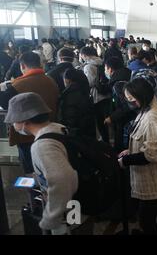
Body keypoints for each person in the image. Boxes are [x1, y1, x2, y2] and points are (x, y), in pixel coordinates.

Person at [5, 93, 78, 235]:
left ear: (24, 120)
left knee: (64, 231)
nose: (13, 125)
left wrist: (51, 217)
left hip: (65, 208)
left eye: (14, 120)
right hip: (75, 201)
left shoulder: (42, 145)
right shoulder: (58, 128)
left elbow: (63, 179)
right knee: (76, 226)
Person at [118, 78, 157, 235]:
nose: (130, 102)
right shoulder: (148, 108)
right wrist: (130, 150)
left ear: (142, 95)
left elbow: (153, 154)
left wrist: (126, 160)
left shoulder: (152, 117)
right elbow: (147, 141)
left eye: (132, 99)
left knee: (147, 217)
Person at [0, 52, 59, 176]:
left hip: (27, 134)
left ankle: (35, 193)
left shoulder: (19, 84)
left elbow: (6, 105)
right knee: (49, 169)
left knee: (31, 173)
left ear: (22, 66)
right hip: (49, 130)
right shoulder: (50, 80)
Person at [80, 46, 111, 143]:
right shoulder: (102, 62)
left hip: (96, 96)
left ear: (84, 55)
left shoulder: (89, 66)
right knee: (107, 118)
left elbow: (90, 82)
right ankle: (110, 138)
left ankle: (105, 140)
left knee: (99, 120)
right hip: (106, 93)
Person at [59, 69, 96, 138]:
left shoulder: (70, 95)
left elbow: (70, 118)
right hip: (88, 133)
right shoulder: (85, 91)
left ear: (68, 80)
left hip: (76, 135)